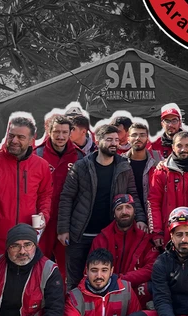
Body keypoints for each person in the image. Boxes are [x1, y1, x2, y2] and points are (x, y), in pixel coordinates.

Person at [58, 123, 140, 293]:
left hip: (109, 234)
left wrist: (141, 219)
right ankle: (73, 315)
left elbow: (133, 195)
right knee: (75, 281)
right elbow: (67, 197)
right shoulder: (81, 166)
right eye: (109, 139)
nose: (114, 143)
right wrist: (63, 229)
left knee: (104, 279)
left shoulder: (124, 167)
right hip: (80, 233)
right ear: (97, 140)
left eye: (116, 140)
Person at [0, 112, 54, 260]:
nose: (14, 140)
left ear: (31, 140)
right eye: (11, 135)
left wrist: (43, 215)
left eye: (21, 137)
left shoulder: (41, 166)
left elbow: (45, 195)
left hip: (26, 241)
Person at [62, 248, 143, 316]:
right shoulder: (75, 297)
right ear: (86, 271)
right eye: (94, 270)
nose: (99, 276)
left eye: (104, 270)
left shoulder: (126, 291)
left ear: (111, 271)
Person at [35, 113, 84, 278]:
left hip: (67, 221)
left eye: (64, 132)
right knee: (38, 262)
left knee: (66, 268)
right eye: (56, 131)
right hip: (41, 219)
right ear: (49, 132)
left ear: (70, 133)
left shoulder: (79, 156)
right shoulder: (37, 154)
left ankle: (64, 302)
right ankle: (37, 300)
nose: (60, 136)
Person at [91, 193, 159, 304]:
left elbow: (152, 267)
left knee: (150, 287)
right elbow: (90, 269)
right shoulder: (101, 239)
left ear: (134, 211)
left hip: (134, 288)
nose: (124, 212)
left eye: (128, 207)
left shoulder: (145, 237)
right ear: (114, 213)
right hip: (107, 288)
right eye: (119, 208)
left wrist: (122, 279)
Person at [125, 120, 160, 218]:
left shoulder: (158, 160)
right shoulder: (121, 162)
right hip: (128, 215)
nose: (138, 138)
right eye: (134, 135)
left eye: (142, 135)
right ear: (128, 138)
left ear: (148, 138)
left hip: (153, 214)